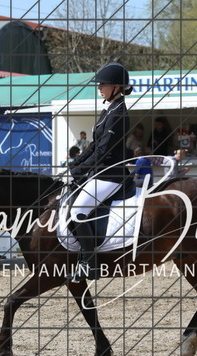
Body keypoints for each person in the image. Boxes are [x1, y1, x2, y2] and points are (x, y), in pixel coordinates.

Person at [67, 62, 133, 281]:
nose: (99, 88)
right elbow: (94, 146)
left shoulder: (118, 113)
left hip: (111, 174)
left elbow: (104, 151)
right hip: (100, 172)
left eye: (103, 85)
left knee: (78, 211)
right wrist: (75, 165)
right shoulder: (108, 110)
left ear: (116, 87)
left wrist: (81, 169)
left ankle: (90, 264)